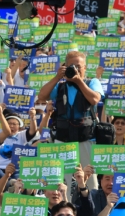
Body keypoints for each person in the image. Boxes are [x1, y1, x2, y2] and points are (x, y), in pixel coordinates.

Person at [37, 51, 104, 191]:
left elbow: (95, 99)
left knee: (90, 180)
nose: (75, 69)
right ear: (64, 67)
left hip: (86, 138)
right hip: (63, 139)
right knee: (64, 182)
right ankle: (65, 210)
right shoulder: (60, 85)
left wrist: (78, 80)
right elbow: (42, 96)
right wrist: (57, 77)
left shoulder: (92, 82)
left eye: (78, 66)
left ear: (85, 67)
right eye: (71, 66)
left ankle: (90, 209)